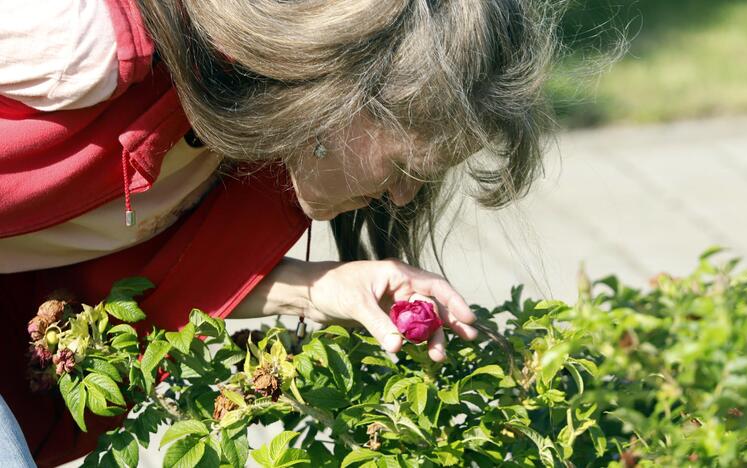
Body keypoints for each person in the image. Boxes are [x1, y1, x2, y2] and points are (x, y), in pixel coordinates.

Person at [0, 0, 551, 464]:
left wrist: (318, 287)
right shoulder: (90, 42)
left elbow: (142, 276)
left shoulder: (244, 147)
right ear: (346, 104)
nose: (403, 198)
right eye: (406, 168)